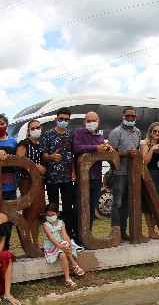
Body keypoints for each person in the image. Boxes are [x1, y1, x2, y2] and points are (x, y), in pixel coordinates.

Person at [72, 110, 114, 230]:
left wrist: (107, 148)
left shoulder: (100, 137)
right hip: (83, 177)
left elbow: (101, 152)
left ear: (98, 122)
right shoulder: (79, 133)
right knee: (78, 207)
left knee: (91, 208)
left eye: (93, 121)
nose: (91, 123)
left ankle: (87, 233)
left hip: (96, 177)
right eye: (88, 121)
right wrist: (95, 147)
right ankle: (76, 235)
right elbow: (76, 148)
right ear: (84, 122)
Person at [41, 107, 77, 241]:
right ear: (56, 119)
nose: (63, 121)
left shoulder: (70, 134)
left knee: (68, 207)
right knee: (53, 207)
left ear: (69, 120)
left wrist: (73, 171)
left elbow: (73, 155)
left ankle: (69, 234)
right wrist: (51, 157)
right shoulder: (48, 134)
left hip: (67, 177)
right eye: (61, 119)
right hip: (52, 177)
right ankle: (53, 236)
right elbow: (43, 155)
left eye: (66, 119)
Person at [107, 106, 141, 240]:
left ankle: (123, 231)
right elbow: (111, 154)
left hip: (132, 173)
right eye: (128, 116)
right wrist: (126, 154)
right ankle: (115, 233)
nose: (130, 118)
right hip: (119, 173)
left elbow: (137, 150)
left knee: (127, 204)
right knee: (117, 204)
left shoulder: (137, 132)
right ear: (123, 117)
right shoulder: (116, 132)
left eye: (133, 116)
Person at [42, 204, 85, 288]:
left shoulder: (61, 223)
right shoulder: (45, 225)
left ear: (57, 214)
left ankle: (67, 279)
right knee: (63, 246)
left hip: (61, 244)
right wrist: (60, 246)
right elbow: (51, 238)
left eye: (52, 215)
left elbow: (64, 235)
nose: (50, 217)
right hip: (52, 246)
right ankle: (74, 264)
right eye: (48, 215)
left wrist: (69, 245)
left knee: (62, 254)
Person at [139, 121, 159, 238]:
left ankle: (153, 229)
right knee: (148, 204)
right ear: (150, 132)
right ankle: (151, 230)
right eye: (155, 131)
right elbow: (144, 161)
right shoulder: (145, 144)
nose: (157, 133)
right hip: (149, 174)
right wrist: (152, 149)